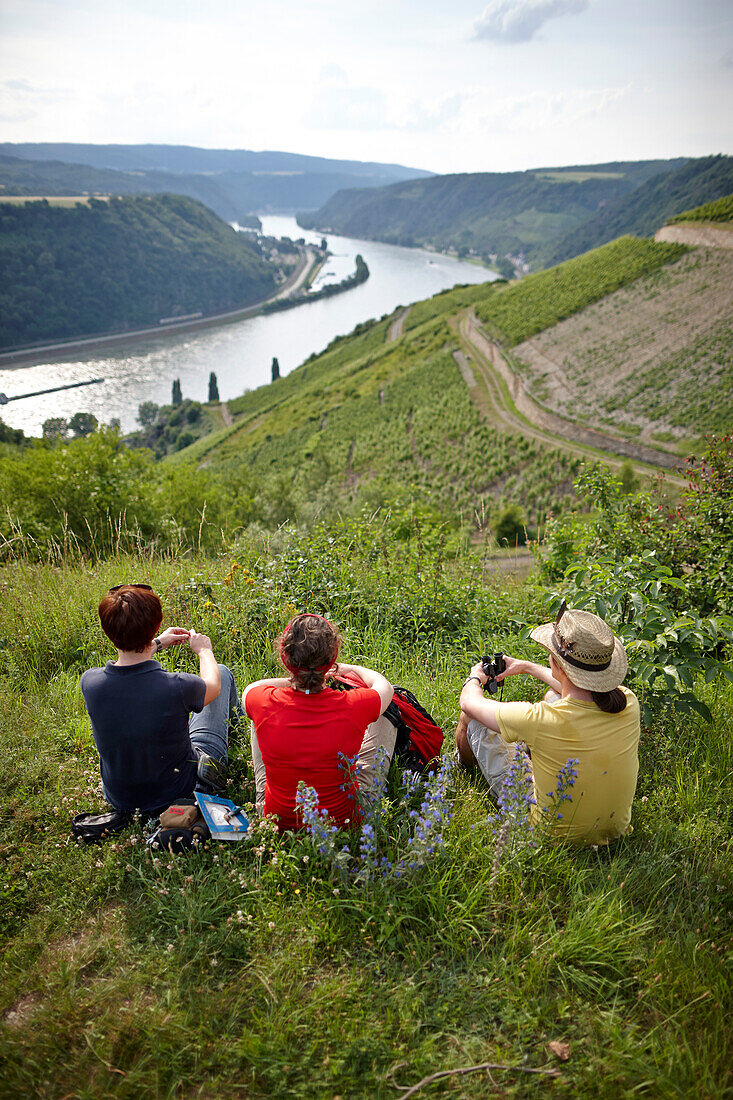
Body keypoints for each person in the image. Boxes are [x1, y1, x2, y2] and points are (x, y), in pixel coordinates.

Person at [456, 601, 640, 845]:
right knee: (553, 696)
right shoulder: (628, 701)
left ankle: (462, 768)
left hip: (547, 835)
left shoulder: (539, 720)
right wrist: (527, 668)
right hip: (614, 830)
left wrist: (475, 677)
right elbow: (576, 690)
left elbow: (469, 703)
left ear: (557, 663)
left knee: (473, 720)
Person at [80, 583, 242, 815]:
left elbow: (133, 677)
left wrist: (156, 644)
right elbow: (213, 686)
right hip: (179, 793)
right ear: (156, 625)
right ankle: (235, 733)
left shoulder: (90, 682)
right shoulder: (177, 686)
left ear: (107, 630)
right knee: (223, 673)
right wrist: (204, 651)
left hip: (119, 798)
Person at [243, 613, 395, 831]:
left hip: (278, 820)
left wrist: (299, 677)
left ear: (285, 657)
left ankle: (263, 797)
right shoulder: (353, 705)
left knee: (258, 716)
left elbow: (252, 687)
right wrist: (343, 669)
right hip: (344, 821)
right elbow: (384, 686)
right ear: (331, 658)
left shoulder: (262, 700)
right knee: (387, 710)